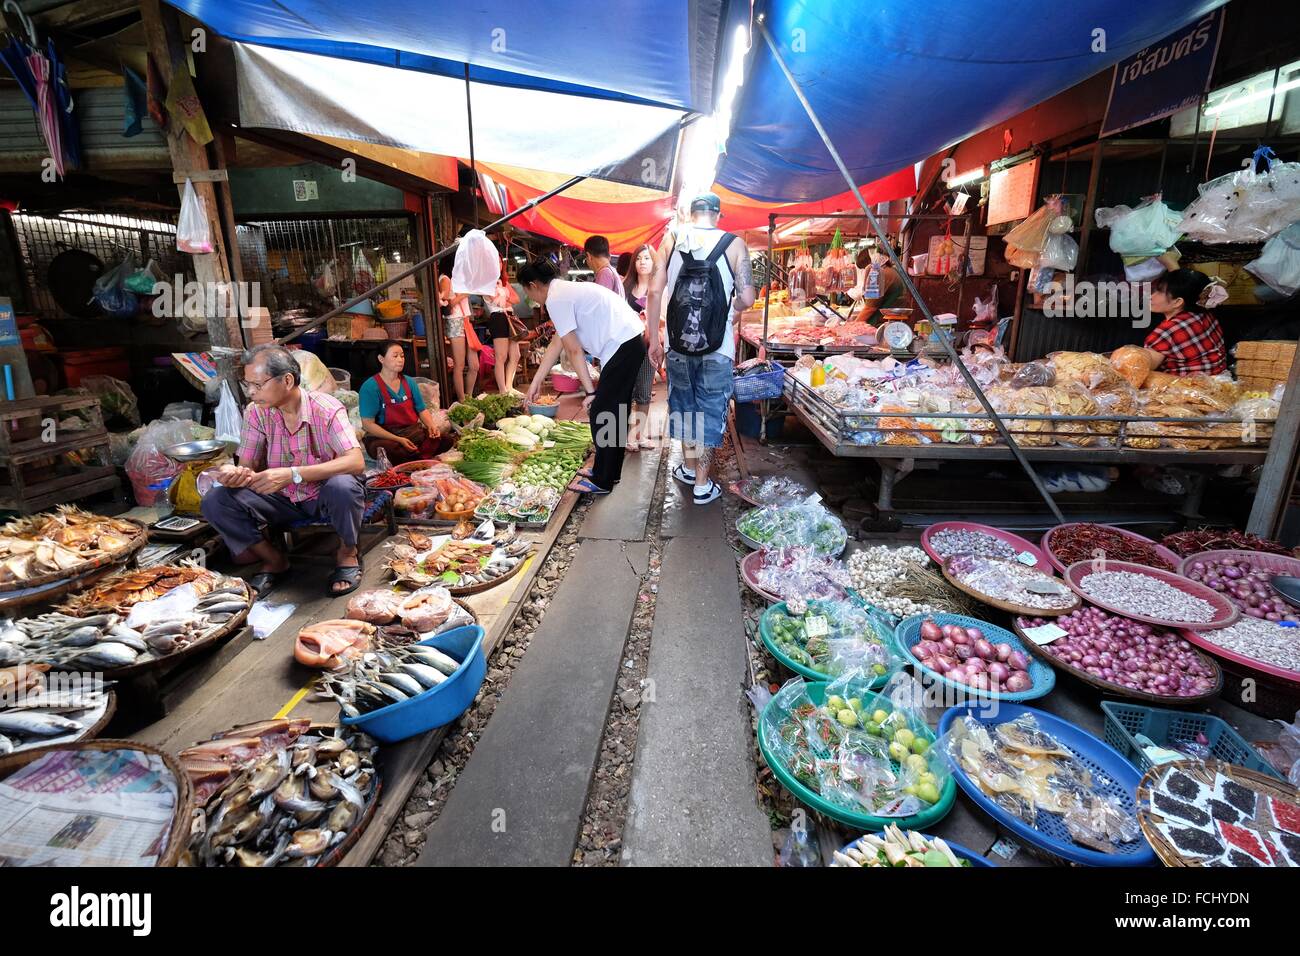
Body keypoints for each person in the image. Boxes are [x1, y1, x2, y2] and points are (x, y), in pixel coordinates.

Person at [201, 345, 366, 598]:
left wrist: (293, 474)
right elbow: (247, 465)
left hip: (323, 496)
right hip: (281, 499)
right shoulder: (256, 413)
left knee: (343, 486)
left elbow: (355, 461)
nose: (252, 393)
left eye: (258, 385)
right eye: (248, 385)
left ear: (287, 380)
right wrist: (235, 474)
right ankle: (275, 559)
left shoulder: (326, 408)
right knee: (216, 499)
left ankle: (347, 552)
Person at [646, 192, 756, 505]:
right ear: (718, 215)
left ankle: (689, 467)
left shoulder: (672, 238)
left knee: (684, 403)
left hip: (677, 344)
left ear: (691, 214)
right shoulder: (734, 244)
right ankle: (702, 484)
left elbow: (654, 291)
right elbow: (747, 298)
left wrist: (655, 338)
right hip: (717, 347)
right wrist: (731, 311)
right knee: (710, 409)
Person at [519, 258, 646, 495]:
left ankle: (603, 480)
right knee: (614, 411)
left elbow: (574, 350)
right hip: (627, 342)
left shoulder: (556, 299)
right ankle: (608, 473)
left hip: (623, 344)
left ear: (533, 285)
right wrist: (536, 382)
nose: (530, 298)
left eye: (527, 291)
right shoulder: (563, 292)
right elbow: (557, 344)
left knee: (603, 411)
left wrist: (590, 392)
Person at [358, 341, 445, 464]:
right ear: (381, 359)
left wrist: (431, 425)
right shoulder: (370, 387)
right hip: (386, 436)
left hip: (411, 432)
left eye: (402, 356)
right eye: (395, 356)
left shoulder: (409, 382)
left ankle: (413, 455)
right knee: (390, 449)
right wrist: (398, 439)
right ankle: (418, 455)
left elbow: (422, 409)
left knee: (445, 439)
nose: (400, 360)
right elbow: (368, 424)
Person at [1141, 269, 1228, 376]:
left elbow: (1140, 367)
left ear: (1178, 302)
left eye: (1159, 292)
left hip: (1185, 389)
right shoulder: (1205, 315)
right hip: (1220, 382)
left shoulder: (1168, 331)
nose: (1151, 296)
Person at [622, 243, 658, 451]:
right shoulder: (625, 287)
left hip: (649, 346)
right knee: (626, 390)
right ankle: (627, 436)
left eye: (646, 258)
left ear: (654, 262)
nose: (642, 262)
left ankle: (639, 434)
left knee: (644, 391)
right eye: (638, 258)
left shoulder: (659, 288)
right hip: (626, 346)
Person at [439, 272, 479, 401]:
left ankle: (468, 397)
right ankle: (462, 399)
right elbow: (445, 304)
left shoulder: (458, 278)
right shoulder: (444, 278)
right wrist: (464, 295)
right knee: (459, 365)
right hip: (454, 321)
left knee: (474, 365)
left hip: (465, 321)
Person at [486, 261, 523, 395]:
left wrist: (504, 297)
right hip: (498, 317)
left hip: (510, 317)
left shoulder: (504, 281)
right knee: (501, 356)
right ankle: (503, 390)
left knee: (515, 354)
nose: (498, 264)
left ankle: (509, 386)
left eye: (500, 261)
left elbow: (517, 299)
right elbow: (496, 301)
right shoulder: (486, 282)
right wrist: (506, 298)